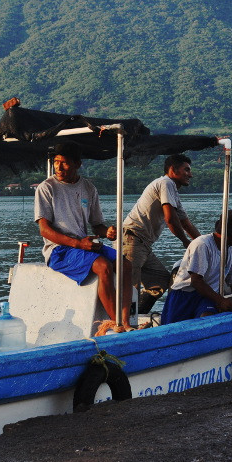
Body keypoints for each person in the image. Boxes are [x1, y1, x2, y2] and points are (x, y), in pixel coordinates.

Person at [34, 142, 134, 331]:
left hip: (83, 244)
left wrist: (108, 232)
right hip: (59, 250)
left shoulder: (88, 188)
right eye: (56, 162)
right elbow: (44, 230)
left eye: (64, 163)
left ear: (77, 164)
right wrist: (78, 244)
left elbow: (97, 224)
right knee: (103, 266)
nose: (59, 167)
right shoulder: (46, 188)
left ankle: (127, 321)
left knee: (125, 265)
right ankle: (117, 324)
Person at [123, 154, 201, 313]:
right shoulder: (166, 183)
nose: (190, 174)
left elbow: (185, 222)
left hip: (143, 244)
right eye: (186, 170)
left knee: (161, 280)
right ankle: (127, 326)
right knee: (131, 288)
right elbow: (170, 219)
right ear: (173, 170)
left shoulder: (173, 192)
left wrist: (204, 243)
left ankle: (139, 315)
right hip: (132, 239)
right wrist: (186, 242)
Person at [161, 210, 232, 324]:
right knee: (175, 328)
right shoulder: (202, 244)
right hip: (185, 295)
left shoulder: (230, 250)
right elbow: (196, 281)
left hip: (208, 295)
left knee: (208, 318)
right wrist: (221, 301)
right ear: (231, 233)